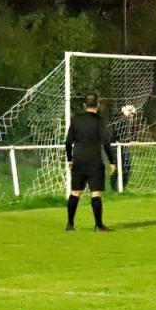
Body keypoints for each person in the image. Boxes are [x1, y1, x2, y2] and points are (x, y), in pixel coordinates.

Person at [65, 93, 117, 231]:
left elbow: (68, 142)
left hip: (79, 158)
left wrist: (70, 159)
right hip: (94, 159)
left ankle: (70, 224)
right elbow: (106, 142)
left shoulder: (75, 120)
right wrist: (112, 161)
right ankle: (98, 225)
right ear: (98, 105)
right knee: (96, 192)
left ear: (84, 105)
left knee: (75, 191)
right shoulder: (99, 121)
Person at [110, 105, 137, 192]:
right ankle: (114, 188)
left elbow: (130, 134)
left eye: (133, 113)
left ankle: (122, 188)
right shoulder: (120, 120)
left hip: (124, 147)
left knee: (127, 168)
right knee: (117, 167)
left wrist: (132, 141)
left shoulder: (130, 121)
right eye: (129, 112)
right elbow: (116, 135)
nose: (131, 114)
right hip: (116, 147)